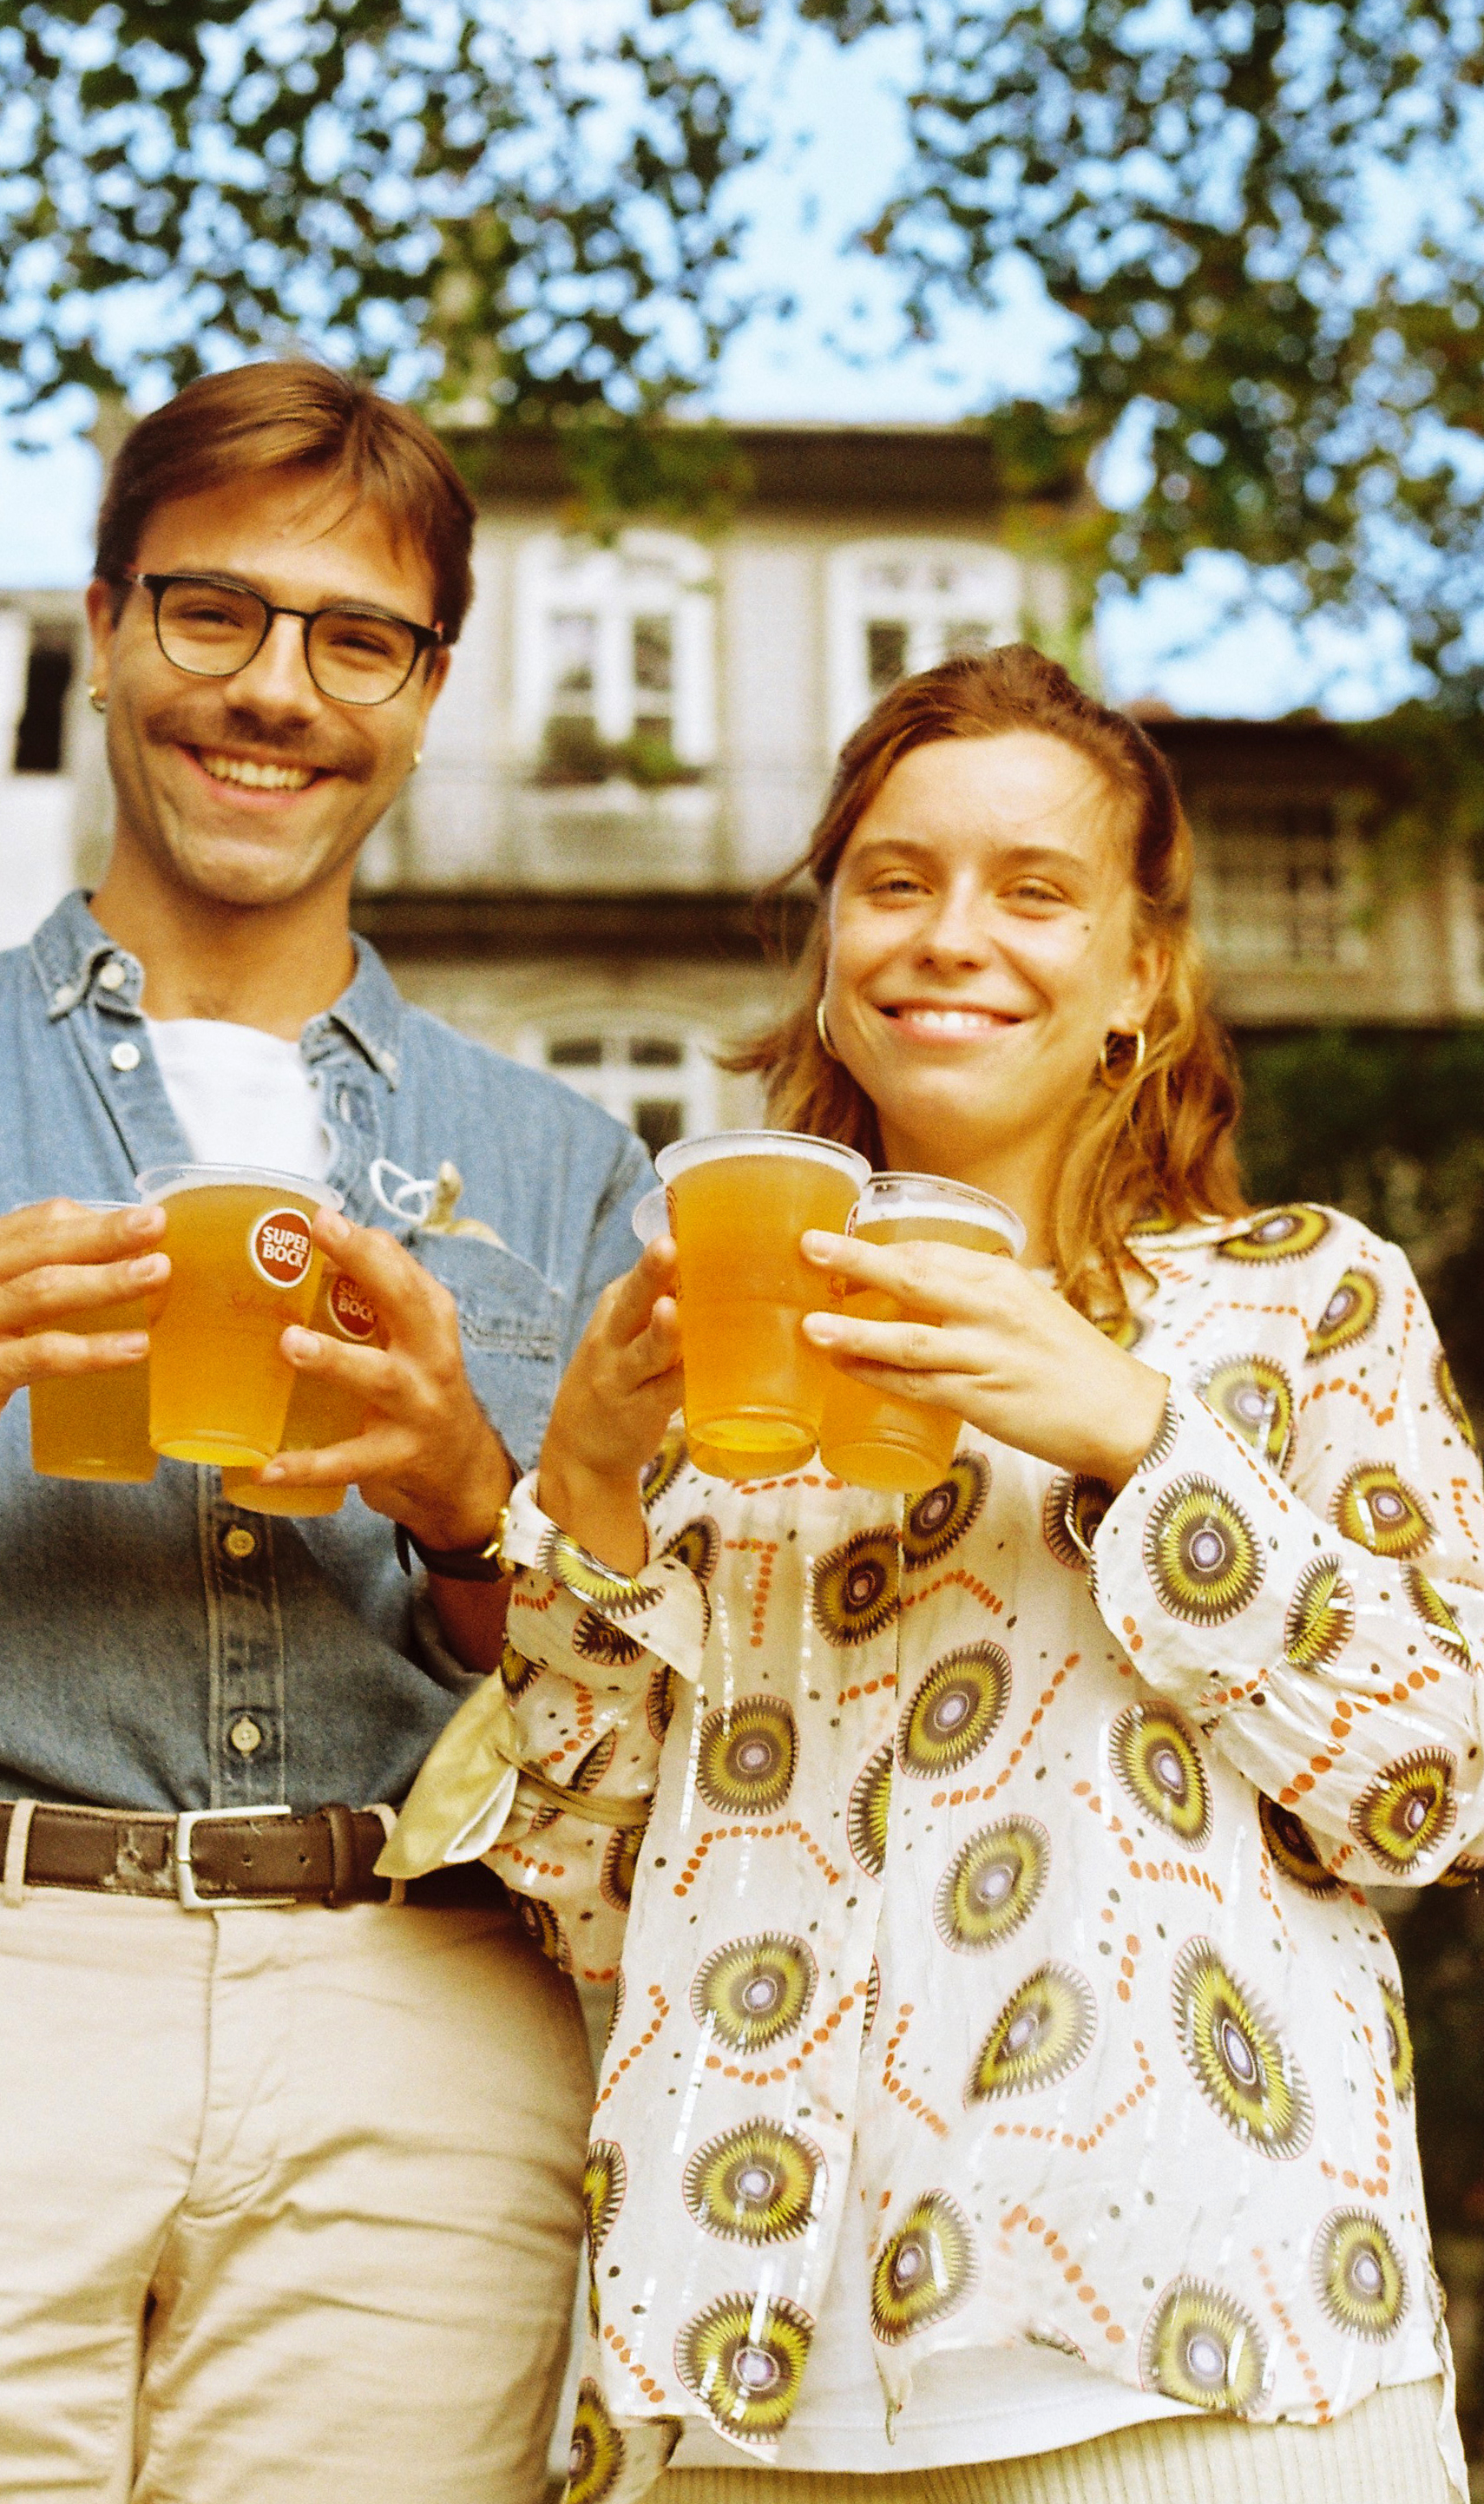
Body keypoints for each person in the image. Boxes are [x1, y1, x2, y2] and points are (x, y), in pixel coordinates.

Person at [400, 645, 1480, 2502]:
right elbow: (582, 1904)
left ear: (1142, 971)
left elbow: (1433, 1785)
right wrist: (578, 1480)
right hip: (728, 2398)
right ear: (829, 942)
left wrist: (1140, 1436)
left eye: (1031, 887)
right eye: (891, 881)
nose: (944, 934)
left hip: (1211, 2371)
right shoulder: (708, 1372)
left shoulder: (1307, 1300)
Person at [0, 360, 655, 2504]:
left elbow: (609, 1694)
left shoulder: (566, 1160)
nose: (276, 693)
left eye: (358, 638)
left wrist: (460, 1492)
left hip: (415, 2016)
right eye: (214, 612)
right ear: (109, 627)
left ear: (426, 693)